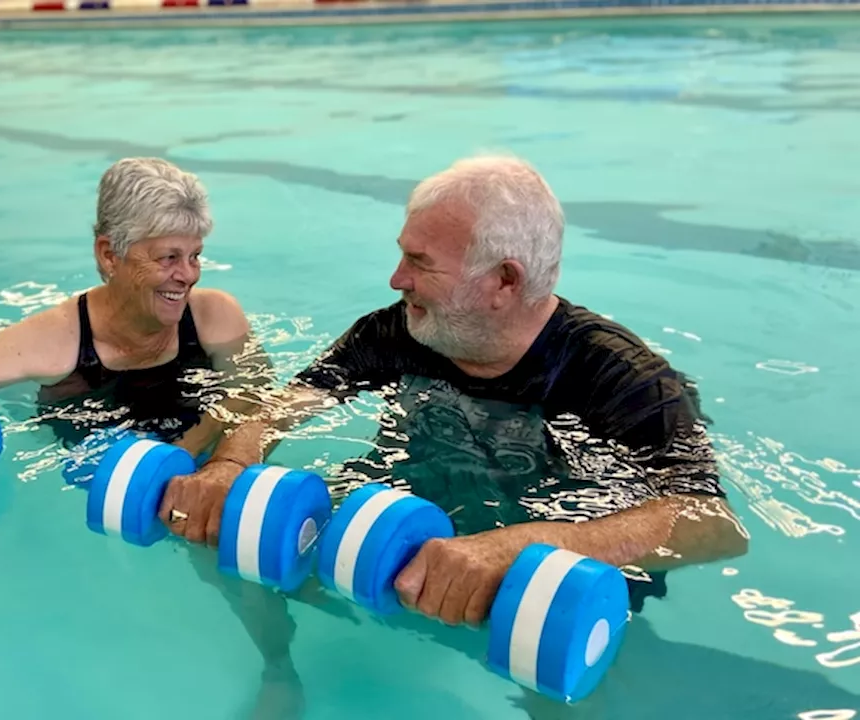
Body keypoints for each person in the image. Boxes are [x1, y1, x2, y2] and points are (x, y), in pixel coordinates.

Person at [159, 154, 752, 717]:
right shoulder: (398, 332)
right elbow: (282, 405)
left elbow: (711, 523)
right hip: (411, 513)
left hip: (547, 558)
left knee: (554, 667)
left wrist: (524, 544)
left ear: (504, 281)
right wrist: (230, 465)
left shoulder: (622, 378)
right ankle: (280, 669)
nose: (397, 279)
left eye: (420, 263)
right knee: (234, 527)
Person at [0, 156, 257, 467]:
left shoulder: (215, 317)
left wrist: (192, 455)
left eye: (195, 256)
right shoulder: (55, 340)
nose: (187, 276)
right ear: (109, 255)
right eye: (169, 257)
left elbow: (259, 401)